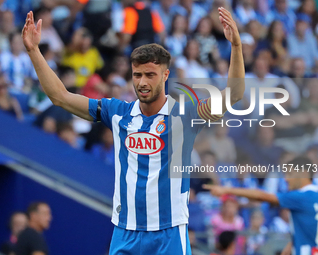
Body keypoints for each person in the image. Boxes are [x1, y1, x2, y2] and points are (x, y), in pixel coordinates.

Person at [22, 7, 245, 254]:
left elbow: (233, 95)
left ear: (165, 75)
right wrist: (34, 51)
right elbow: (60, 97)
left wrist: (236, 46)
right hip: (125, 231)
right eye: (137, 74)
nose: (142, 82)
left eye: (150, 74)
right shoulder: (117, 112)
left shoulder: (185, 114)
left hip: (168, 231)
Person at [205, 156, 318, 255]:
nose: (286, 179)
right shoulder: (314, 194)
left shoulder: (301, 196)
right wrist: (290, 246)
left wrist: (227, 190)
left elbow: (263, 196)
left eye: (290, 174)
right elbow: (308, 231)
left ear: (304, 173)